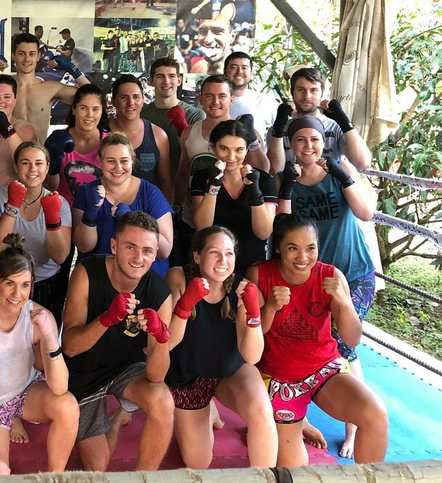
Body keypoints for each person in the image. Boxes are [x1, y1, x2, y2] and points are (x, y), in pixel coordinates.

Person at [248, 214, 388, 466]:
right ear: (278, 247)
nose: (303, 258)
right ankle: (297, 422)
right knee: (295, 470)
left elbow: (352, 339)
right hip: (279, 375)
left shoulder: (331, 276)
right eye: (293, 248)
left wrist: (344, 302)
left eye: (310, 248)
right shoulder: (259, 275)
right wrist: (269, 307)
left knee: (375, 414)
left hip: (325, 369)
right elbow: (254, 338)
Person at [277, 116, 377, 459]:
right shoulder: (288, 176)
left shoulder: (341, 167)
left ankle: (354, 426)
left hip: (355, 272)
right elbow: (282, 228)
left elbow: (365, 213)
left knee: (343, 342)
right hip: (315, 280)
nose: (308, 146)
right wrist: (287, 186)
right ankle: (298, 416)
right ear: (292, 144)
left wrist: (343, 175)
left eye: (314, 140)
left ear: (323, 142)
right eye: (301, 140)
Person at [62, 211, 175, 471]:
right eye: (130, 247)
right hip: (84, 371)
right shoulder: (87, 273)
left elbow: (157, 376)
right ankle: (118, 418)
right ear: (114, 246)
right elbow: (69, 346)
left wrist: (160, 337)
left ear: (156, 251)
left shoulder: (159, 295)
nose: (138, 258)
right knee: (97, 468)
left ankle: (144, 479)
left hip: (127, 368)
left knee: (163, 401)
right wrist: (107, 319)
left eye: (147, 250)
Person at [0, 236, 79, 474]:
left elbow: (59, 387)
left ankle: (54, 478)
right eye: (10, 284)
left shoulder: (39, 315)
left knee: (68, 406)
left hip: (25, 392)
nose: (18, 294)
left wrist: (49, 339)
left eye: (25, 285)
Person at [164, 227, 277, 468]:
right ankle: (206, 408)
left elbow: (252, 356)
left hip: (229, 372)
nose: (223, 261)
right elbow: (168, 342)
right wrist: (185, 305)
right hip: (188, 376)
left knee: (262, 414)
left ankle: (265, 477)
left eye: (229, 253)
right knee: (198, 463)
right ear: (197, 256)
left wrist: (254, 314)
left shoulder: (241, 288)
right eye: (214, 252)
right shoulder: (178, 277)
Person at [174, 75, 268, 263]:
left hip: (238, 219)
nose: (215, 101)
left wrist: (251, 141)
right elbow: (183, 172)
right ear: (200, 99)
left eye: (222, 96)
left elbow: (263, 169)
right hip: (195, 216)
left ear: (232, 100)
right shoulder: (189, 132)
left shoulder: (246, 132)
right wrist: (176, 208)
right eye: (209, 96)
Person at [0, 142, 71, 328]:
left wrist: (52, 219)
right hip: (7, 282)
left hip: (45, 282)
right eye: (26, 163)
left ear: (47, 167)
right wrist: (12, 205)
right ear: (16, 166)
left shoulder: (60, 203)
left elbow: (60, 257)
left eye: (39, 163)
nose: (33, 169)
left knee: (41, 343)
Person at [0, 33, 90, 140]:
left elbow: (91, 98)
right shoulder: (1, 89)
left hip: (37, 162)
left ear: (39, 56)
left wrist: (72, 69)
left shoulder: (51, 89)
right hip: (5, 159)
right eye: (21, 53)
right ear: (13, 56)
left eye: (32, 54)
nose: (27, 59)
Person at [72, 133, 173, 272]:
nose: (118, 167)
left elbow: (164, 250)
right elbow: (83, 247)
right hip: (100, 276)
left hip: (145, 278)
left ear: (132, 160)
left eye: (124, 161)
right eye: (111, 161)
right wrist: (91, 213)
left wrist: (133, 220)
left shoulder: (150, 193)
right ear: (100, 161)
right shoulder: (87, 192)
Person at [190, 120, 277, 275]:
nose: (231, 157)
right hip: (213, 267)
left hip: (253, 267)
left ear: (246, 150)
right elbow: (203, 227)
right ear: (213, 147)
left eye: (239, 149)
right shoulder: (202, 177)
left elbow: (264, 232)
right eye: (224, 148)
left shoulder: (263, 180)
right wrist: (214, 185)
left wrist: (254, 190)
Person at [268, 67, 372, 174]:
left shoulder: (335, 127)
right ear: (292, 92)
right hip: (291, 188)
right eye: (301, 90)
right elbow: (275, 171)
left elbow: (363, 163)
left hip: (332, 188)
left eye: (314, 90)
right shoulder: (278, 129)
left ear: (322, 93)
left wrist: (344, 121)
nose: (307, 96)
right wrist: (279, 127)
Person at [108, 74, 173, 200]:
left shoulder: (159, 136)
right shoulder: (102, 133)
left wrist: (166, 214)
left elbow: (165, 182)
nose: (131, 102)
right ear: (113, 101)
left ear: (143, 100)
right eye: (124, 97)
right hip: (108, 209)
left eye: (136, 97)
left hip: (146, 212)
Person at [141, 57, 204, 184]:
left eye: (171, 76)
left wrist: (183, 130)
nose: (166, 81)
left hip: (184, 188)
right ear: (151, 81)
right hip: (150, 187)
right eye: (160, 76)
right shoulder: (141, 115)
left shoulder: (195, 115)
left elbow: (200, 157)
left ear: (179, 80)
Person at [45, 84, 106, 202]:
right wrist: (54, 164)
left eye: (95, 109)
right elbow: (51, 187)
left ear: (102, 111)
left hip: (99, 214)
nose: (89, 114)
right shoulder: (59, 140)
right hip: (64, 213)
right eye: (83, 108)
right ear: (74, 109)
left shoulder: (111, 142)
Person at [225, 52, 277, 143]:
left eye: (244, 68)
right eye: (233, 67)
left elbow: (283, 131)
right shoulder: (213, 101)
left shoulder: (265, 101)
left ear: (251, 72)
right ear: (225, 71)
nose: (239, 72)